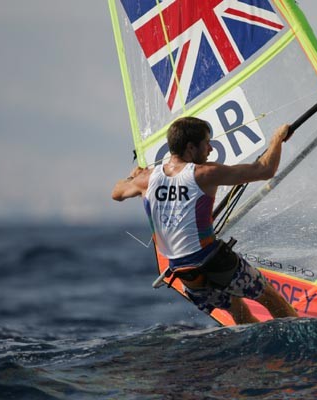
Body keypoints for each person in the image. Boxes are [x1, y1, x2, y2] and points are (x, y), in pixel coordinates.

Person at [112, 117, 298, 324]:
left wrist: (133, 177)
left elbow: (116, 193)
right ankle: (299, 346)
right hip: (215, 261)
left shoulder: (146, 179)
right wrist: (277, 138)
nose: (210, 149)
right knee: (271, 299)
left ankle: (256, 354)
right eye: (207, 143)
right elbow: (265, 170)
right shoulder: (204, 173)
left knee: (238, 311)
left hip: (187, 275)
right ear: (190, 147)